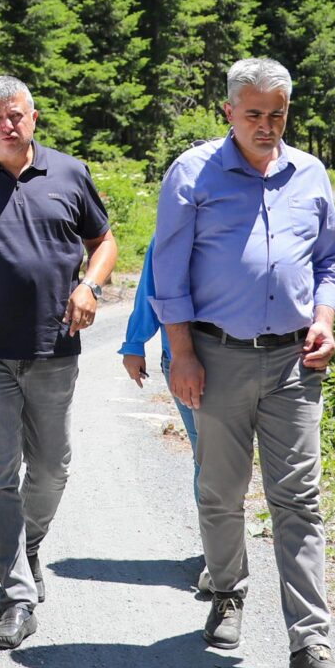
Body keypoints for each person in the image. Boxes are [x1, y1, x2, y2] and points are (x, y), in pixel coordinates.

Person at [150, 57, 335, 668]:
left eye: (277, 114)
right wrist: (181, 354)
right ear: (229, 113)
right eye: (254, 114)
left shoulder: (311, 174)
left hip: (295, 362)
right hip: (217, 358)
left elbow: (330, 260)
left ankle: (311, 644)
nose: (267, 126)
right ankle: (228, 590)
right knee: (221, 489)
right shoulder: (194, 173)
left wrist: (324, 317)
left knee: (299, 498)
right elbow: (168, 271)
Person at [0, 75, 116, 650]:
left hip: (54, 348)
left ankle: (28, 545)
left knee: (52, 467)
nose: (8, 125)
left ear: (34, 118)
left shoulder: (67, 172)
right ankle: (16, 593)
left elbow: (105, 240)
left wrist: (90, 285)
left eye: (17, 115)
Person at [120, 237, 212, 597]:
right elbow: (151, 283)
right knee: (209, 459)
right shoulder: (174, 226)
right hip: (184, 363)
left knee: (223, 460)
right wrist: (133, 343)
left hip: (245, 361)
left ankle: (221, 551)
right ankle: (218, 556)